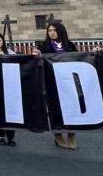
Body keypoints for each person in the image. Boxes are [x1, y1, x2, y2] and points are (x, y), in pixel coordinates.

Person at [33, 22, 79, 150]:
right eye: (49, 30)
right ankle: (58, 135)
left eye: (54, 30)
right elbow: (38, 63)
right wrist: (36, 56)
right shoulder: (43, 45)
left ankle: (71, 135)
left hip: (68, 81)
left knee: (71, 108)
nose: (51, 33)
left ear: (61, 31)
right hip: (51, 81)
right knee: (54, 108)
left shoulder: (70, 45)